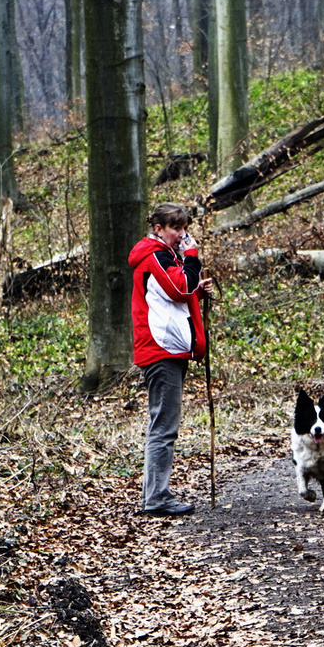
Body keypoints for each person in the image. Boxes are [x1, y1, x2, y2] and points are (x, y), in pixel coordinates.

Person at [129, 202, 212, 516]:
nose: (181, 234)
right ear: (158, 228)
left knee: (161, 424)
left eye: (183, 227)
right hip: (160, 350)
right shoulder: (155, 256)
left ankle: (155, 495)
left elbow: (172, 294)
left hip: (167, 349)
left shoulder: (164, 258)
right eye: (175, 228)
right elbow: (180, 287)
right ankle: (157, 498)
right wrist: (192, 260)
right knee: (164, 426)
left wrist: (197, 291)